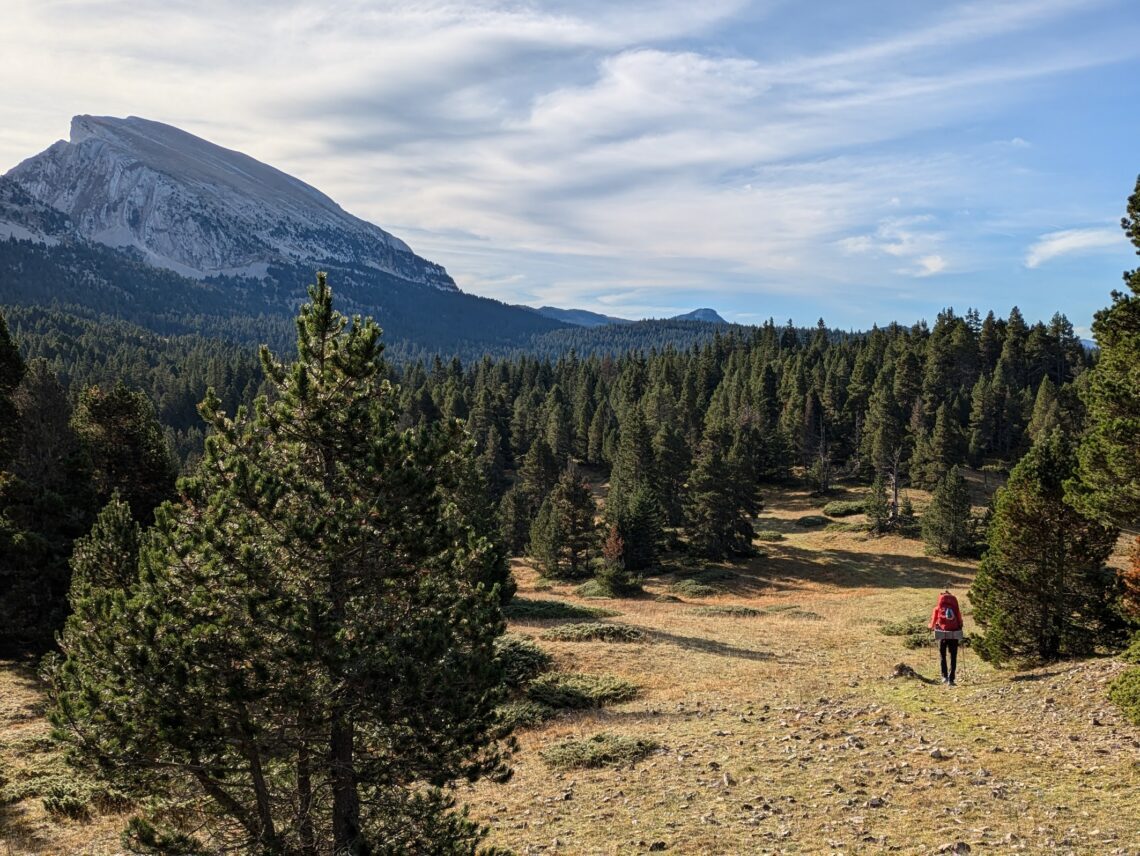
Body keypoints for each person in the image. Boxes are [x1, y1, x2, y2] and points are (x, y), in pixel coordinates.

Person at [929, 590, 964, 686]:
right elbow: (960, 620)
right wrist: (960, 626)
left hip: (942, 634)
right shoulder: (955, 608)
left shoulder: (937, 608)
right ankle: (951, 679)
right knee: (953, 656)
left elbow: (933, 623)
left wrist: (931, 627)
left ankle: (944, 677)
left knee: (942, 656)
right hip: (954, 633)